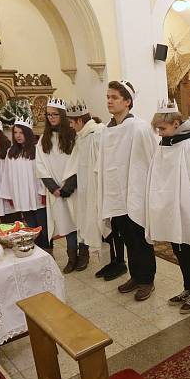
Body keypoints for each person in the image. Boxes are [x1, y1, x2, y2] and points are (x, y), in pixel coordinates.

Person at [146, 101, 190, 314]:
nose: (159, 133)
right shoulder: (167, 142)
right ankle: (187, 287)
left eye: (162, 129)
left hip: (184, 205)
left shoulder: (189, 144)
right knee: (177, 248)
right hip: (169, 204)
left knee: (188, 248)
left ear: (176, 123)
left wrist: (182, 204)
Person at [97, 80, 157, 299]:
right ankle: (136, 275)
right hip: (116, 194)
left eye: (114, 97)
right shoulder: (106, 130)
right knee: (126, 238)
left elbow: (151, 159)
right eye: (108, 97)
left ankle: (147, 280)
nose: (109, 101)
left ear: (127, 101)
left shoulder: (139, 127)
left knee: (140, 238)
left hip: (135, 193)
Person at [36, 97, 79, 272]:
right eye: (48, 115)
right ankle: (72, 258)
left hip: (73, 188)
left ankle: (83, 256)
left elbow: (79, 162)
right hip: (55, 190)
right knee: (65, 223)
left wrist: (68, 186)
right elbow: (39, 165)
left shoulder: (73, 136)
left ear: (62, 115)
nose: (51, 118)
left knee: (78, 221)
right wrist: (53, 187)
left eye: (55, 114)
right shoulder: (43, 140)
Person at [67, 100, 106, 272]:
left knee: (101, 224)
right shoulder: (82, 137)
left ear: (80, 121)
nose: (70, 125)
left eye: (71, 121)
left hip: (97, 187)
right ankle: (105, 262)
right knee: (87, 220)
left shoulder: (96, 135)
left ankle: (113, 262)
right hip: (85, 187)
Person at [0, 116, 48, 249]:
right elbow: (7, 175)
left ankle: (48, 251)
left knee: (43, 226)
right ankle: (37, 251)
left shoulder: (38, 150)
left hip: (36, 194)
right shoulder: (11, 152)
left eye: (21, 132)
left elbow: (43, 172)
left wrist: (43, 192)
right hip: (21, 196)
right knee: (31, 227)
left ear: (28, 133)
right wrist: (9, 195)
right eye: (15, 133)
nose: (18, 136)